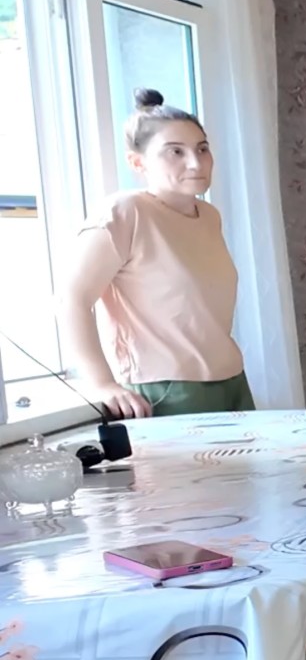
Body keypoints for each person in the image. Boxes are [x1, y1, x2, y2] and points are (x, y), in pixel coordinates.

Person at [56, 89, 253, 419]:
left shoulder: (209, 216)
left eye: (202, 149)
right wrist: (102, 383)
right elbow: (71, 299)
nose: (195, 162)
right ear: (138, 162)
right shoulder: (125, 212)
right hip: (166, 390)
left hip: (231, 379)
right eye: (175, 151)